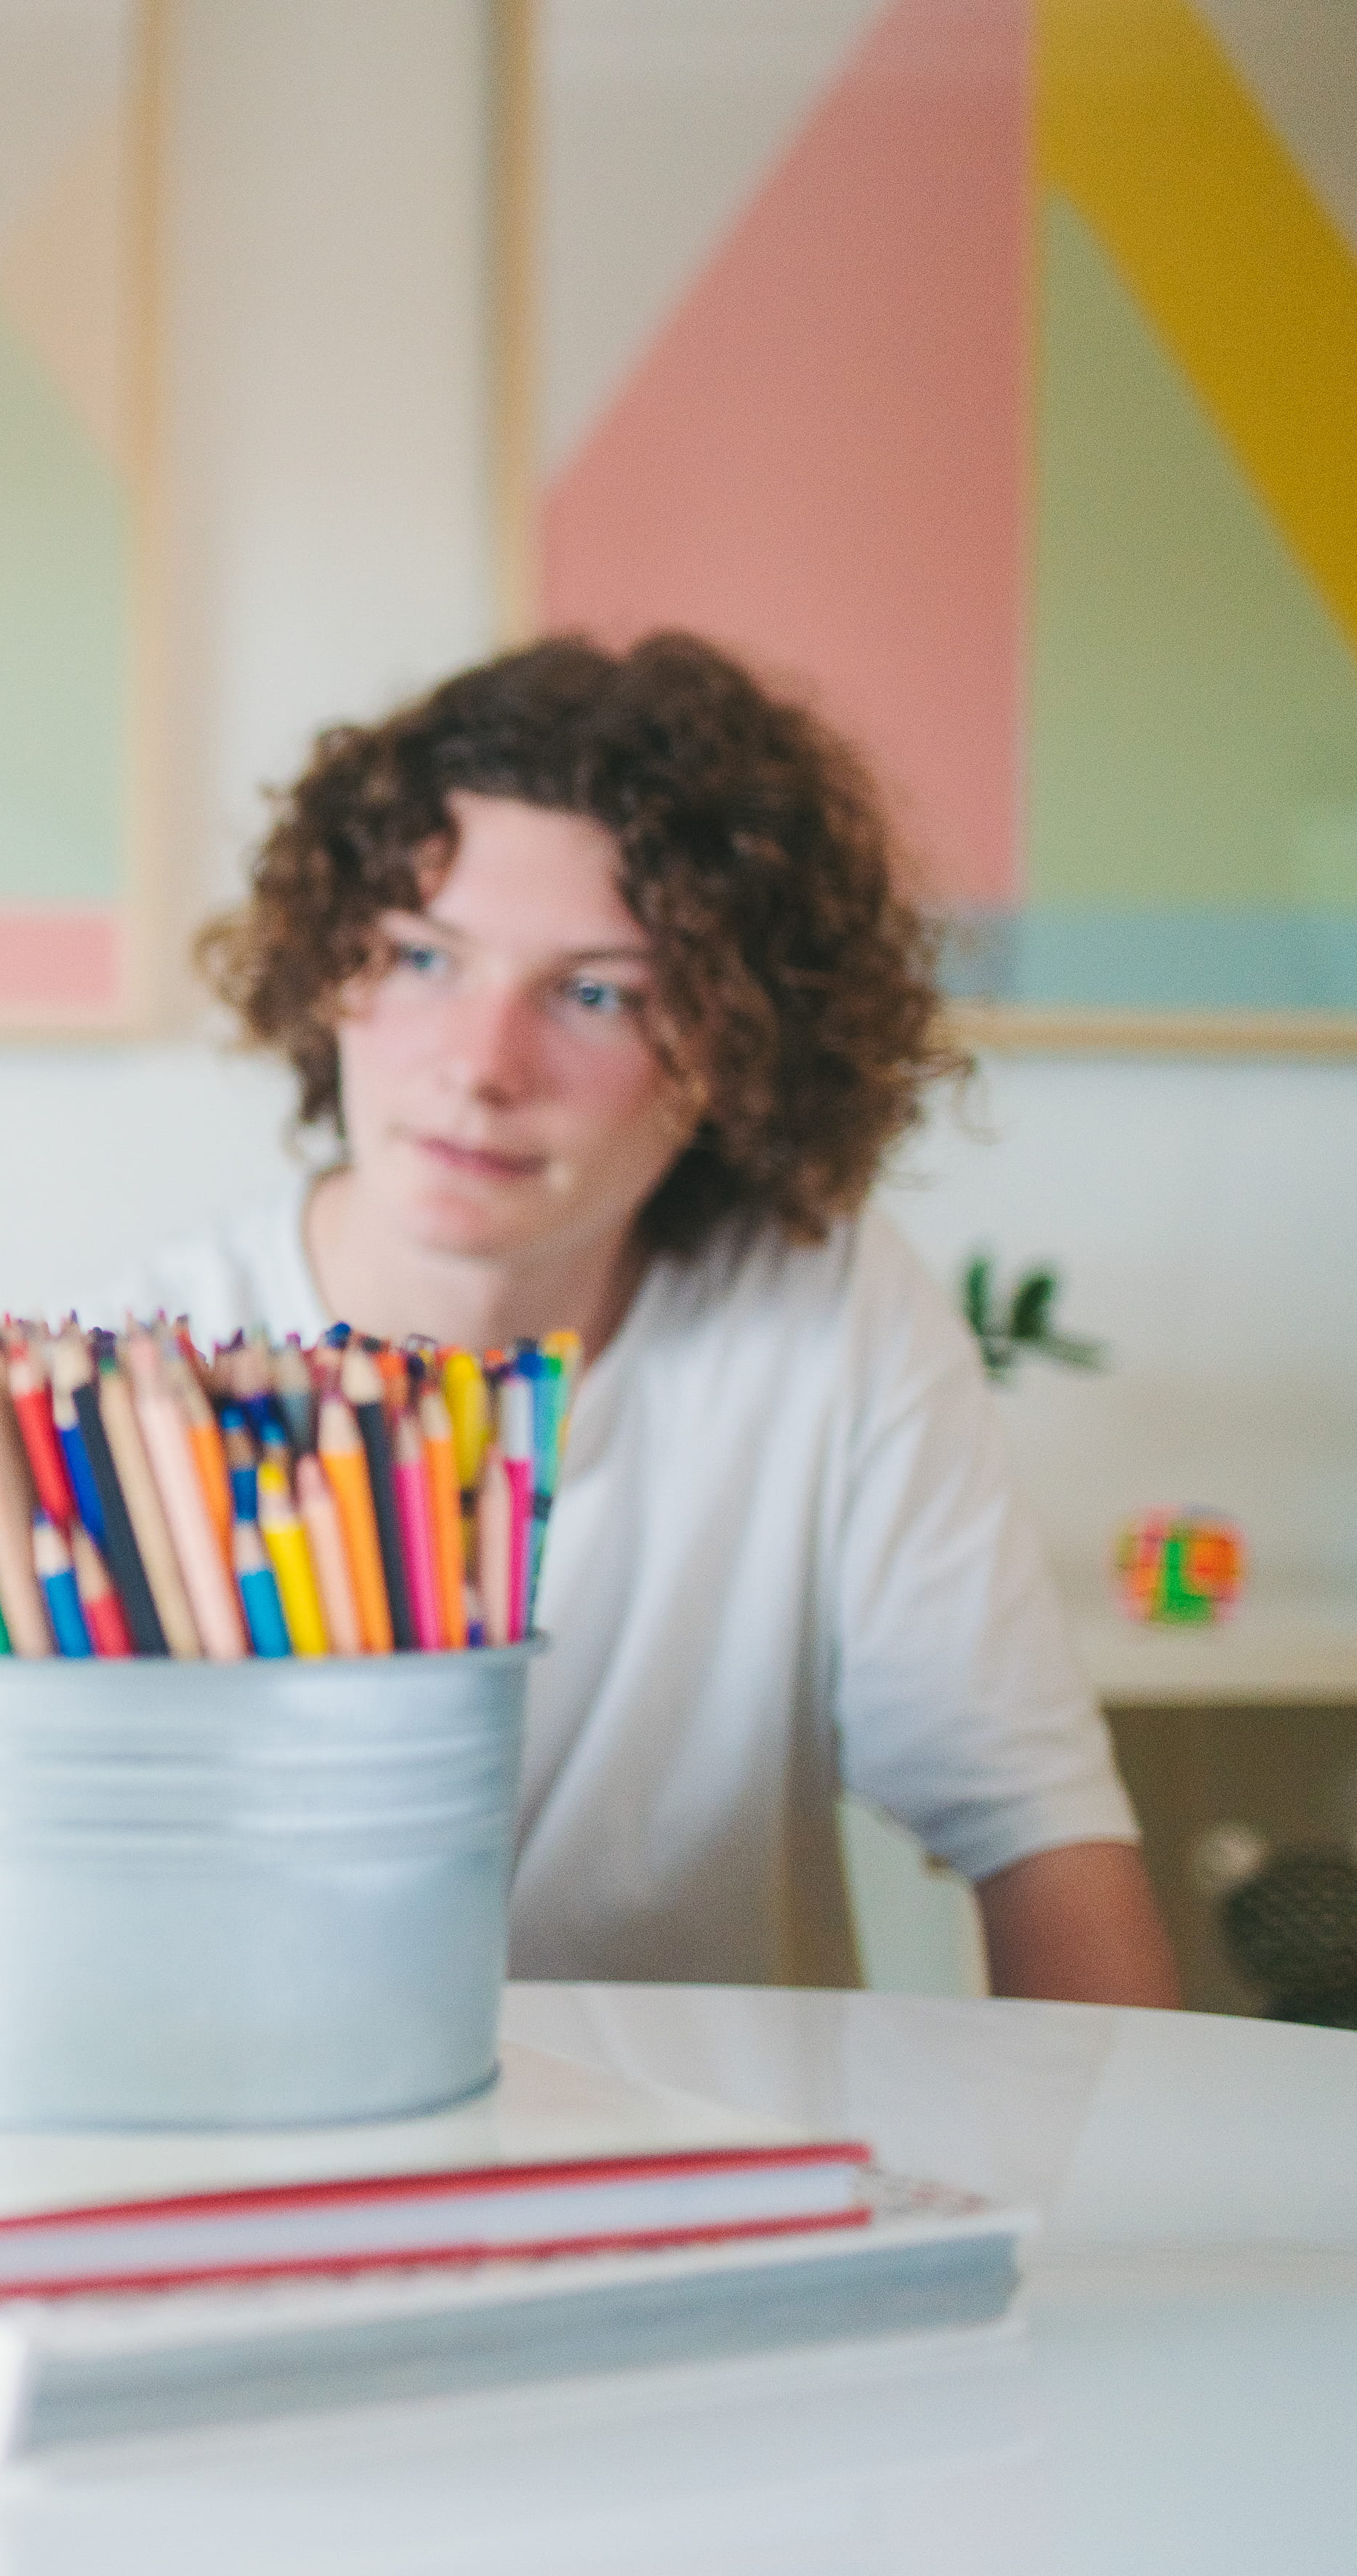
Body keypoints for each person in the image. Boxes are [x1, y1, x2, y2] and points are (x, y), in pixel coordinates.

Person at [129, 634, 1177, 2006]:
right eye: (424, 957)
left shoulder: (830, 1313)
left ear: (740, 1045)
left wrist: (1124, 2217)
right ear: (331, 968)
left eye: (594, 993)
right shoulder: (139, 1365)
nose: (482, 1067)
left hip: (738, 2181)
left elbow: (1037, 1836)